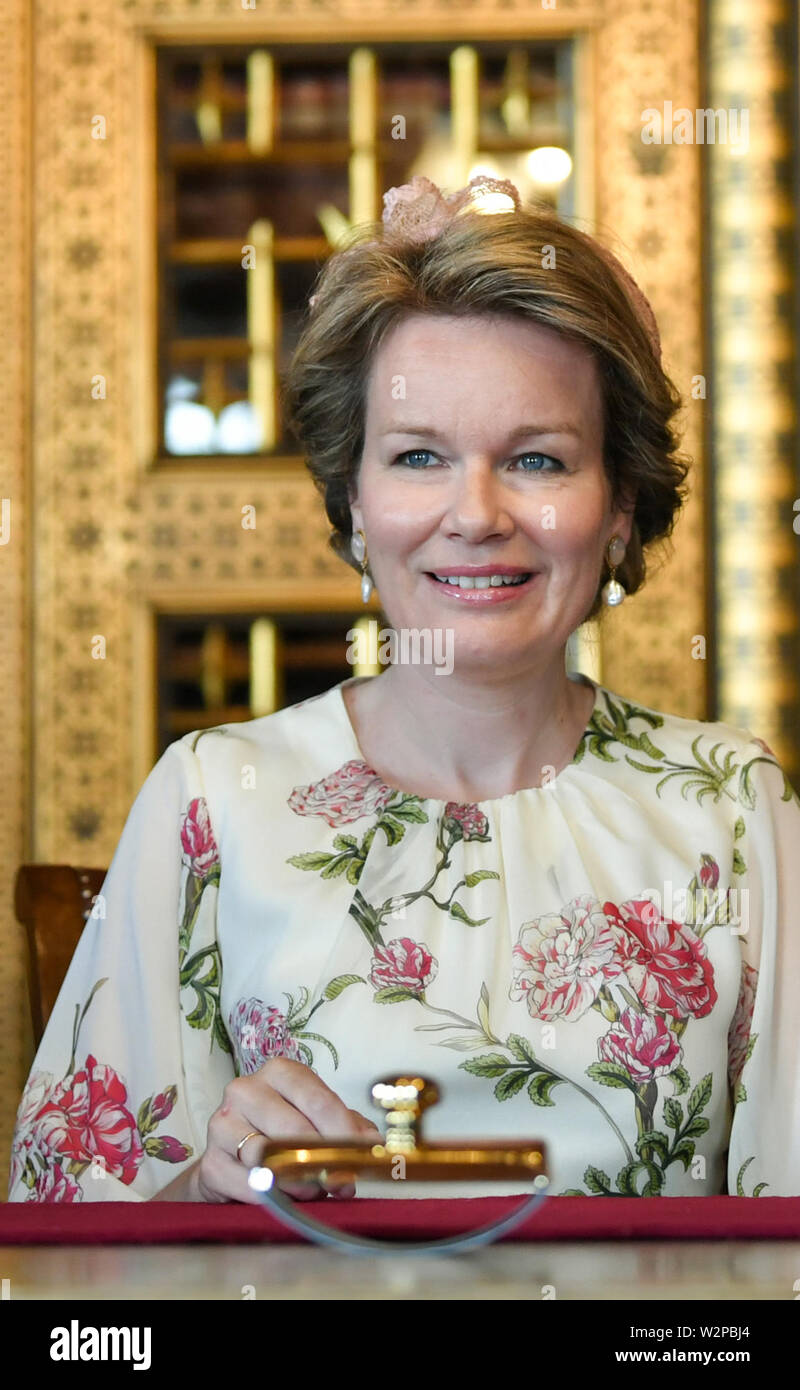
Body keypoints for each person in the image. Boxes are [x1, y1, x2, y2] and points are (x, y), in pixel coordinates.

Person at [8, 174, 800, 1206]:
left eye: (536, 459)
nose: (473, 515)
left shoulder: (731, 807)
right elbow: (70, 1276)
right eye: (418, 455)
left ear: (619, 506)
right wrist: (205, 1203)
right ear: (351, 504)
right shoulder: (212, 796)